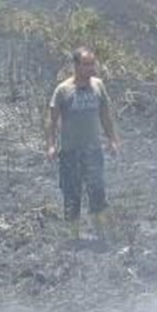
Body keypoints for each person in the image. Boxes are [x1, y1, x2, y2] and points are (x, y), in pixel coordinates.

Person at [47, 49, 120, 243]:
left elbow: (105, 114)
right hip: (70, 151)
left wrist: (112, 139)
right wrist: (52, 145)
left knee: (97, 190)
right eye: (86, 64)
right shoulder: (63, 90)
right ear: (76, 66)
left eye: (92, 64)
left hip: (93, 150)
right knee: (72, 193)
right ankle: (74, 237)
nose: (90, 68)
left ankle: (103, 235)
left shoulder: (98, 86)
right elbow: (52, 121)